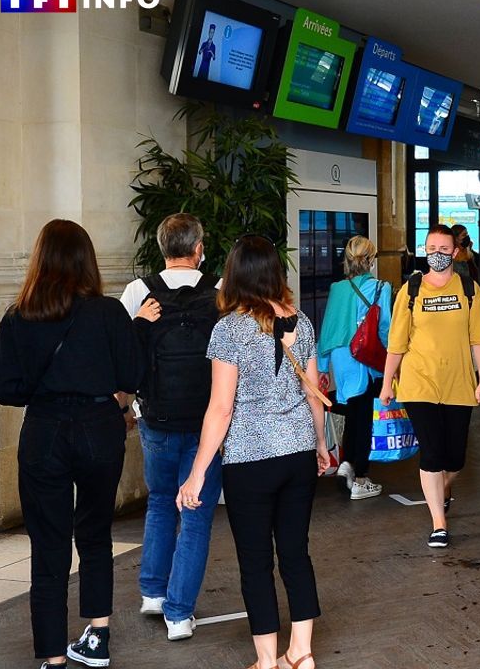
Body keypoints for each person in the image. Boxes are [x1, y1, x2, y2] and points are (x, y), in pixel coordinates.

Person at [0, 220, 143, 669]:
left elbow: (1, 388)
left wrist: (43, 390)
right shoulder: (108, 312)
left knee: (48, 546)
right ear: (85, 260)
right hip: (99, 427)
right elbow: (133, 375)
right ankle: (97, 638)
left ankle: (53, 658)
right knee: (95, 536)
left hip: (45, 432)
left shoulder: (20, 316)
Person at [176, 235, 328, 669]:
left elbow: (221, 408)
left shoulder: (229, 329)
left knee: (256, 561)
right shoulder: (301, 320)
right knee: (296, 552)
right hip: (298, 452)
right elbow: (314, 393)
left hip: (250, 460)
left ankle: (267, 660)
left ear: (236, 275)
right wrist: (319, 444)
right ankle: (301, 652)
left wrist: (197, 472)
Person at [119, 213, 221, 642]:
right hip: (207, 422)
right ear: (198, 249)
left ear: (161, 248)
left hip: (155, 419)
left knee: (160, 501)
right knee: (195, 515)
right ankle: (179, 614)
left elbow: (124, 353)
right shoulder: (219, 291)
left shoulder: (139, 291)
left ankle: (153, 592)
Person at [381, 225, 480, 549]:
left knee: (454, 458)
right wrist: (388, 383)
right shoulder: (411, 289)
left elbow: (479, 339)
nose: (438, 254)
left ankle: (443, 487)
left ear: (455, 252)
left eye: (444, 249)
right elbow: (397, 342)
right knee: (431, 453)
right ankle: (438, 523)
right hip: (419, 383)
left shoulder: (470, 289)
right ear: (424, 250)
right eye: (432, 248)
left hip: (459, 382)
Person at [317, 235, 393, 501]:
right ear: (371, 260)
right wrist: (391, 363)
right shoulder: (381, 287)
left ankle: (348, 464)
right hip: (366, 355)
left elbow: (327, 328)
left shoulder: (337, 288)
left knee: (354, 411)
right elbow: (385, 328)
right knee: (364, 416)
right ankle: (359, 476)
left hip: (341, 356)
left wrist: (323, 366)